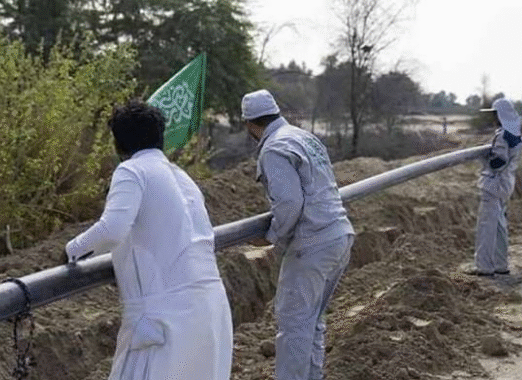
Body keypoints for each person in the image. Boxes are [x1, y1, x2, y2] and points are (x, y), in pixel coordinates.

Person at [64, 99, 232, 380]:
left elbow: (113, 229)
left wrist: (73, 250)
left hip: (165, 316)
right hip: (210, 308)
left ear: (118, 144)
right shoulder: (183, 177)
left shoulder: (132, 171)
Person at [241, 89, 354, 380]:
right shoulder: (304, 137)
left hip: (312, 243)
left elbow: (290, 203)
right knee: (312, 322)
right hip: (339, 235)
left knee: (294, 326)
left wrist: (270, 236)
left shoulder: (274, 149)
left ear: (250, 124)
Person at [471, 98, 522, 276]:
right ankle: (501, 264)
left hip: (494, 184)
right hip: (505, 183)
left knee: (487, 226)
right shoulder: (514, 133)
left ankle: (484, 266)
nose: (493, 118)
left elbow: (498, 162)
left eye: (494, 114)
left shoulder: (502, 136)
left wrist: (484, 158)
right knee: (500, 225)